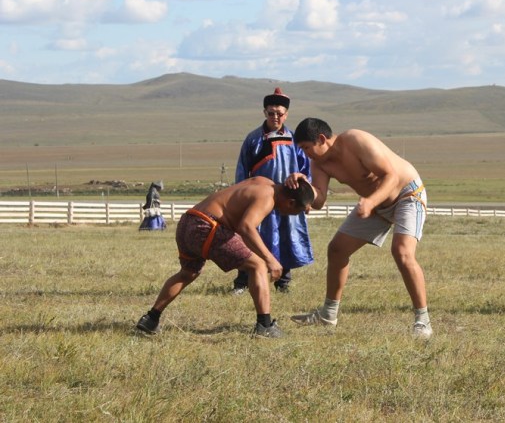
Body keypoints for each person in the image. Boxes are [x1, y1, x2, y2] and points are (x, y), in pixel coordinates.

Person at [285, 117, 433, 338]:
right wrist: (304, 188)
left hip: (406, 194)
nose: (305, 154)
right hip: (374, 204)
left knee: (402, 252)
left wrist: (371, 202)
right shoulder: (319, 163)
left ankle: (423, 322)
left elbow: (390, 176)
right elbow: (319, 200)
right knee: (337, 249)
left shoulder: (356, 140)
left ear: (322, 139)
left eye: (307, 148)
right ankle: (328, 314)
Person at [135, 176, 314, 338]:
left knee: (188, 273)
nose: (292, 215)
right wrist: (270, 259)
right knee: (258, 265)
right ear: (290, 203)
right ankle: (265, 325)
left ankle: (150, 319)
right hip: (208, 226)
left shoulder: (264, 181)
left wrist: (296, 176)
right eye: (296, 212)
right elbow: (246, 227)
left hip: (188, 222)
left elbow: (294, 189)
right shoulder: (268, 198)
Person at [230, 87, 314, 295]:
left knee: (287, 236)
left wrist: (306, 196)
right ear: (264, 112)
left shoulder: (295, 139)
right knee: (251, 237)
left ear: (286, 114)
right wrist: (240, 198)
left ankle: (283, 282)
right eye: (271, 113)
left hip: (289, 199)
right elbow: (243, 170)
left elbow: (306, 171)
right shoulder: (253, 139)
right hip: (260, 199)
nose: (275, 117)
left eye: (280, 113)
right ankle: (243, 282)